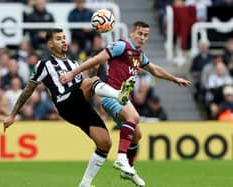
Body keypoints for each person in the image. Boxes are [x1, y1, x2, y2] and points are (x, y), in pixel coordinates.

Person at [60, 21, 193, 186]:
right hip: (111, 95)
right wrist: (73, 73)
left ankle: (128, 169)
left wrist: (174, 79)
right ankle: (121, 158)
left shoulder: (139, 55)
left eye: (145, 35)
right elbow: (97, 58)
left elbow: (155, 69)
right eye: (140, 34)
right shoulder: (122, 46)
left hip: (124, 99)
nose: (142, 38)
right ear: (132, 33)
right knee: (134, 116)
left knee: (136, 135)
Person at [3, 28, 134, 187]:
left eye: (64, 38)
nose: (64, 41)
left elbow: (83, 84)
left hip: (81, 106)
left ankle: (84, 184)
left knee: (105, 143)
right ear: (50, 44)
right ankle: (119, 95)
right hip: (65, 102)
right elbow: (28, 90)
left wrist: (93, 68)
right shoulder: (44, 64)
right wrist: (13, 114)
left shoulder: (74, 63)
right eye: (59, 38)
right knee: (92, 82)